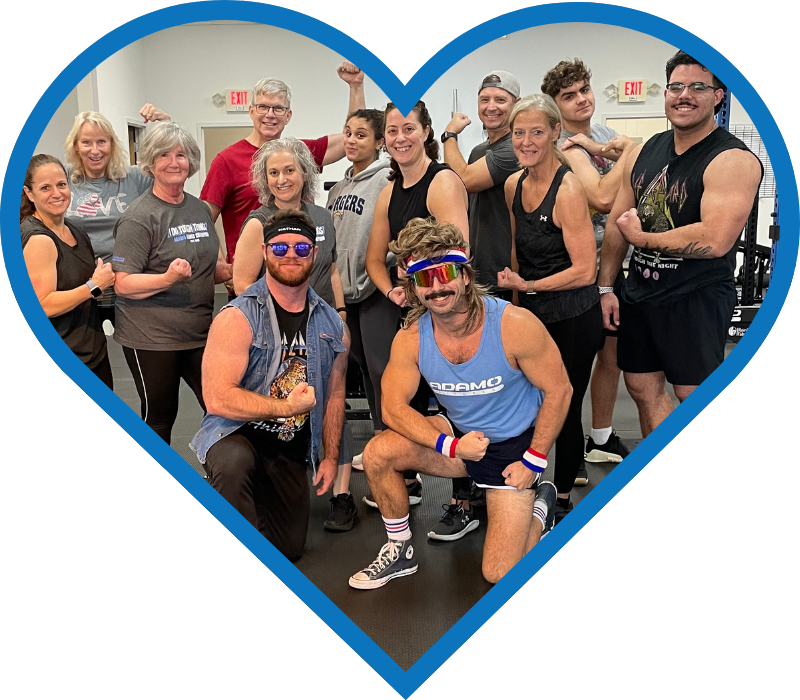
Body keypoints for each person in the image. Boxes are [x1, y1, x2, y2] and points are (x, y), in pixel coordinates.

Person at [349, 218, 569, 588]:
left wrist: (534, 459)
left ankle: (540, 509)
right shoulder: (412, 338)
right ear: (413, 287)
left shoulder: (514, 325)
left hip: (512, 450)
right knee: (377, 452)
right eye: (424, 278)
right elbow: (392, 408)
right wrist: (452, 445)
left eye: (446, 273)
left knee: (499, 573)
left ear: (465, 274)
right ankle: (400, 550)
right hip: (461, 442)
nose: (437, 287)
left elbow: (559, 390)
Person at [598, 50, 762, 436]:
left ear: (718, 96)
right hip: (640, 294)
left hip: (695, 297)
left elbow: (716, 239)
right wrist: (606, 286)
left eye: (698, 87)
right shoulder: (642, 151)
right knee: (640, 386)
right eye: (676, 86)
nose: (684, 95)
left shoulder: (732, 159)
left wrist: (645, 238)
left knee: (692, 393)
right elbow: (617, 224)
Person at [190, 209, 349, 561]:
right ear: (264, 252)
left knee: (289, 549)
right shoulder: (238, 317)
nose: (290, 255)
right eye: (279, 248)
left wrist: (332, 456)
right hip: (235, 433)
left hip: (288, 445)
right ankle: (225, 491)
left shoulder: (331, 324)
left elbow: (336, 392)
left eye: (300, 248)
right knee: (232, 466)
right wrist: (286, 408)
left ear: (315, 254)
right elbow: (217, 399)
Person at [364, 100, 477, 541]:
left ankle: (463, 500)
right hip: (412, 311)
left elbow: (456, 255)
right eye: (392, 130)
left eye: (408, 128)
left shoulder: (442, 181)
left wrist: (422, 295)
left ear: (427, 131)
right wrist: (393, 290)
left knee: (455, 401)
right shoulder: (391, 189)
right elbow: (376, 257)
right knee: (407, 401)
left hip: (448, 309)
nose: (400, 138)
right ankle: (407, 476)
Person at [233, 137, 357, 532]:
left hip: (322, 324)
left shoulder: (322, 217)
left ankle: (342, 495)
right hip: (279, 331)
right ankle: (273, 482)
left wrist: (340, 317)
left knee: (335, 399)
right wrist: (272, 329)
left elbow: (333, 271)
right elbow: (240, 284)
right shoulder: (258, 223)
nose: (283, 179)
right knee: (285, 406)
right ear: (264, 179)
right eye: (274, 173)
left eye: (290, 170)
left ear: (305, 172)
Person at [497, 94, 604, 523]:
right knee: (527, 405)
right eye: (519, 132)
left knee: (566, 403)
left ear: (555, 132)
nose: (526, 141)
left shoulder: (570, 189)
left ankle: (559, 501)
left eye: (536, 132)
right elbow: (516, 250)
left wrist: (530, 286)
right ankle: (524, 482)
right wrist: (516, 303)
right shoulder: (513, 184)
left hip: (574, 315)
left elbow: (585, 270)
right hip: (533, 315)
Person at [541, 58, 637, 483]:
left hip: (615, 265)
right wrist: (628, 152)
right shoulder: (560, 142)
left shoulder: (600, 136)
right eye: (569, 95)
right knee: (569, 367)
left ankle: (600, 437)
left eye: (584, 90)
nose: (581, 100)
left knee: (611, 355)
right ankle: (568, 446)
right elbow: (600, 197)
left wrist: (606, 149)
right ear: (556, 106)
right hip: (577, 270)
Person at [111, 122, 232, 445]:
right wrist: (167, 278)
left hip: (200, 332)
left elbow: (211, 268)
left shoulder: (199, 209)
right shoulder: (140, 217)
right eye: (164, 155)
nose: (174, 162)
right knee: (160, 417)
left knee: (219, 407)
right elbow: (122, 284)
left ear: (191, 162)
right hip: (151, 337)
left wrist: (239, 272)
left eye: (181, 155)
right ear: (151, 163)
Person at [201, 63, 366, 267]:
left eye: (278, 108)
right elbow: (204, 217)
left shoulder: (299, 153)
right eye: (263, 107)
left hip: (304, 272)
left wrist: (356, 87)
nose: (270, 114)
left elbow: (353, 137)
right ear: (251, 111)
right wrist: (221, 265)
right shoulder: (227, 160)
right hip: (252, 278)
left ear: (288, 115)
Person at [326, 110, 394, 466]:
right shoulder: (337, 189)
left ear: (380, 142)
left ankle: (393, 447)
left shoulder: (387, 180)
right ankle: (379, 440)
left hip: (375, 291)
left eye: (362, 135)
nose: (351, 141)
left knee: (383, 369)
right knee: (365, 369)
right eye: (348, 133)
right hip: (345, 294)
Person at [63, 106, 171, 330]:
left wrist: (165, 123)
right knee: (88, 351)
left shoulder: (132, 177)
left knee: (134, 348)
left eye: (102, 141)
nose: (95, 150)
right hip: (80, 284)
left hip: (125, 282)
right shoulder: (64, 179)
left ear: (112, 144)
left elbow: (168, 167)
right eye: (86, 142)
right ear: (75, 146)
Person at [21, 154, 115, 387]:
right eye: (45, 187)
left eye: (61, 184)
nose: (57, 193)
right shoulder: (38, 239)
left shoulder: (75, 228)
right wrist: (94, 287)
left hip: (92, 351)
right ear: (29, 193)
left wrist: (97, 285)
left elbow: (81, 284)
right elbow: (42, 305)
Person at [442, 70, 521, 299]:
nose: (491, 107)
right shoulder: (479, 151)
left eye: (500, 100)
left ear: (516, 104)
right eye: (484, 100)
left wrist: (449, 134)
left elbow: (464, 179)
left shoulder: (514, 148)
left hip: (505, 272)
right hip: (478, 270)